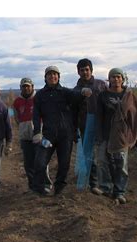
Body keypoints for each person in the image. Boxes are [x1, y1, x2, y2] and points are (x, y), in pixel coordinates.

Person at [32, 65, 89, 196]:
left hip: (65, 135)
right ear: (45, 78)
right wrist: (37, 132)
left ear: (58, 77)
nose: (52, 76)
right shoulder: (40, 95)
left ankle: (59, 188)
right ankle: (41, 187)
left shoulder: (65, 92)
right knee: (40, 163)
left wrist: (83, 92)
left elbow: (76, 96)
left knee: (64, 164)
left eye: (55, 74)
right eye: (49, 74)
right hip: (47, 135)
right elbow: (35, 115)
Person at [96, 68, 137, 204]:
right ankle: (106, 188)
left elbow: (134, 116)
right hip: (105, 134)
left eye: (118, 77)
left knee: (121, 165)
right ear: (109, 79)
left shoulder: (128, 96)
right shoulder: (103, 96)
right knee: (102, 162)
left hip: (122, 135)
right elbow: (99, 117)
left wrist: (134, 134)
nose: (116, 79)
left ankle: (120, 192)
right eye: (113, 77)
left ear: (122, 79)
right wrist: (99, 135)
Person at [73, 58, 107, 195]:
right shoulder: (76, 90)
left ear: (91, 70)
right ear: (78, 71)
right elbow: (73, 111)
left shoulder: (101, 85)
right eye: (82, 70)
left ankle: (107, 183)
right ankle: (93, 184)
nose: (85, 72)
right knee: (89, 155)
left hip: (102, 125)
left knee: (105, 154)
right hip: (84, 126)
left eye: (87, 69)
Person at [12, 77, 51, 191]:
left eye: (28, 86)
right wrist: (25, 127)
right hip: (25, 137)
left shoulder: (39, 98)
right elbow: (16, 118)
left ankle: (45, 185)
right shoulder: (17, 102)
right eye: (23, 86)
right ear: (20, 88)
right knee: (28, 164)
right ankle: (33, 186)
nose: (26, 88)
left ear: (32, 87)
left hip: (39, 135)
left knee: (41, 161)